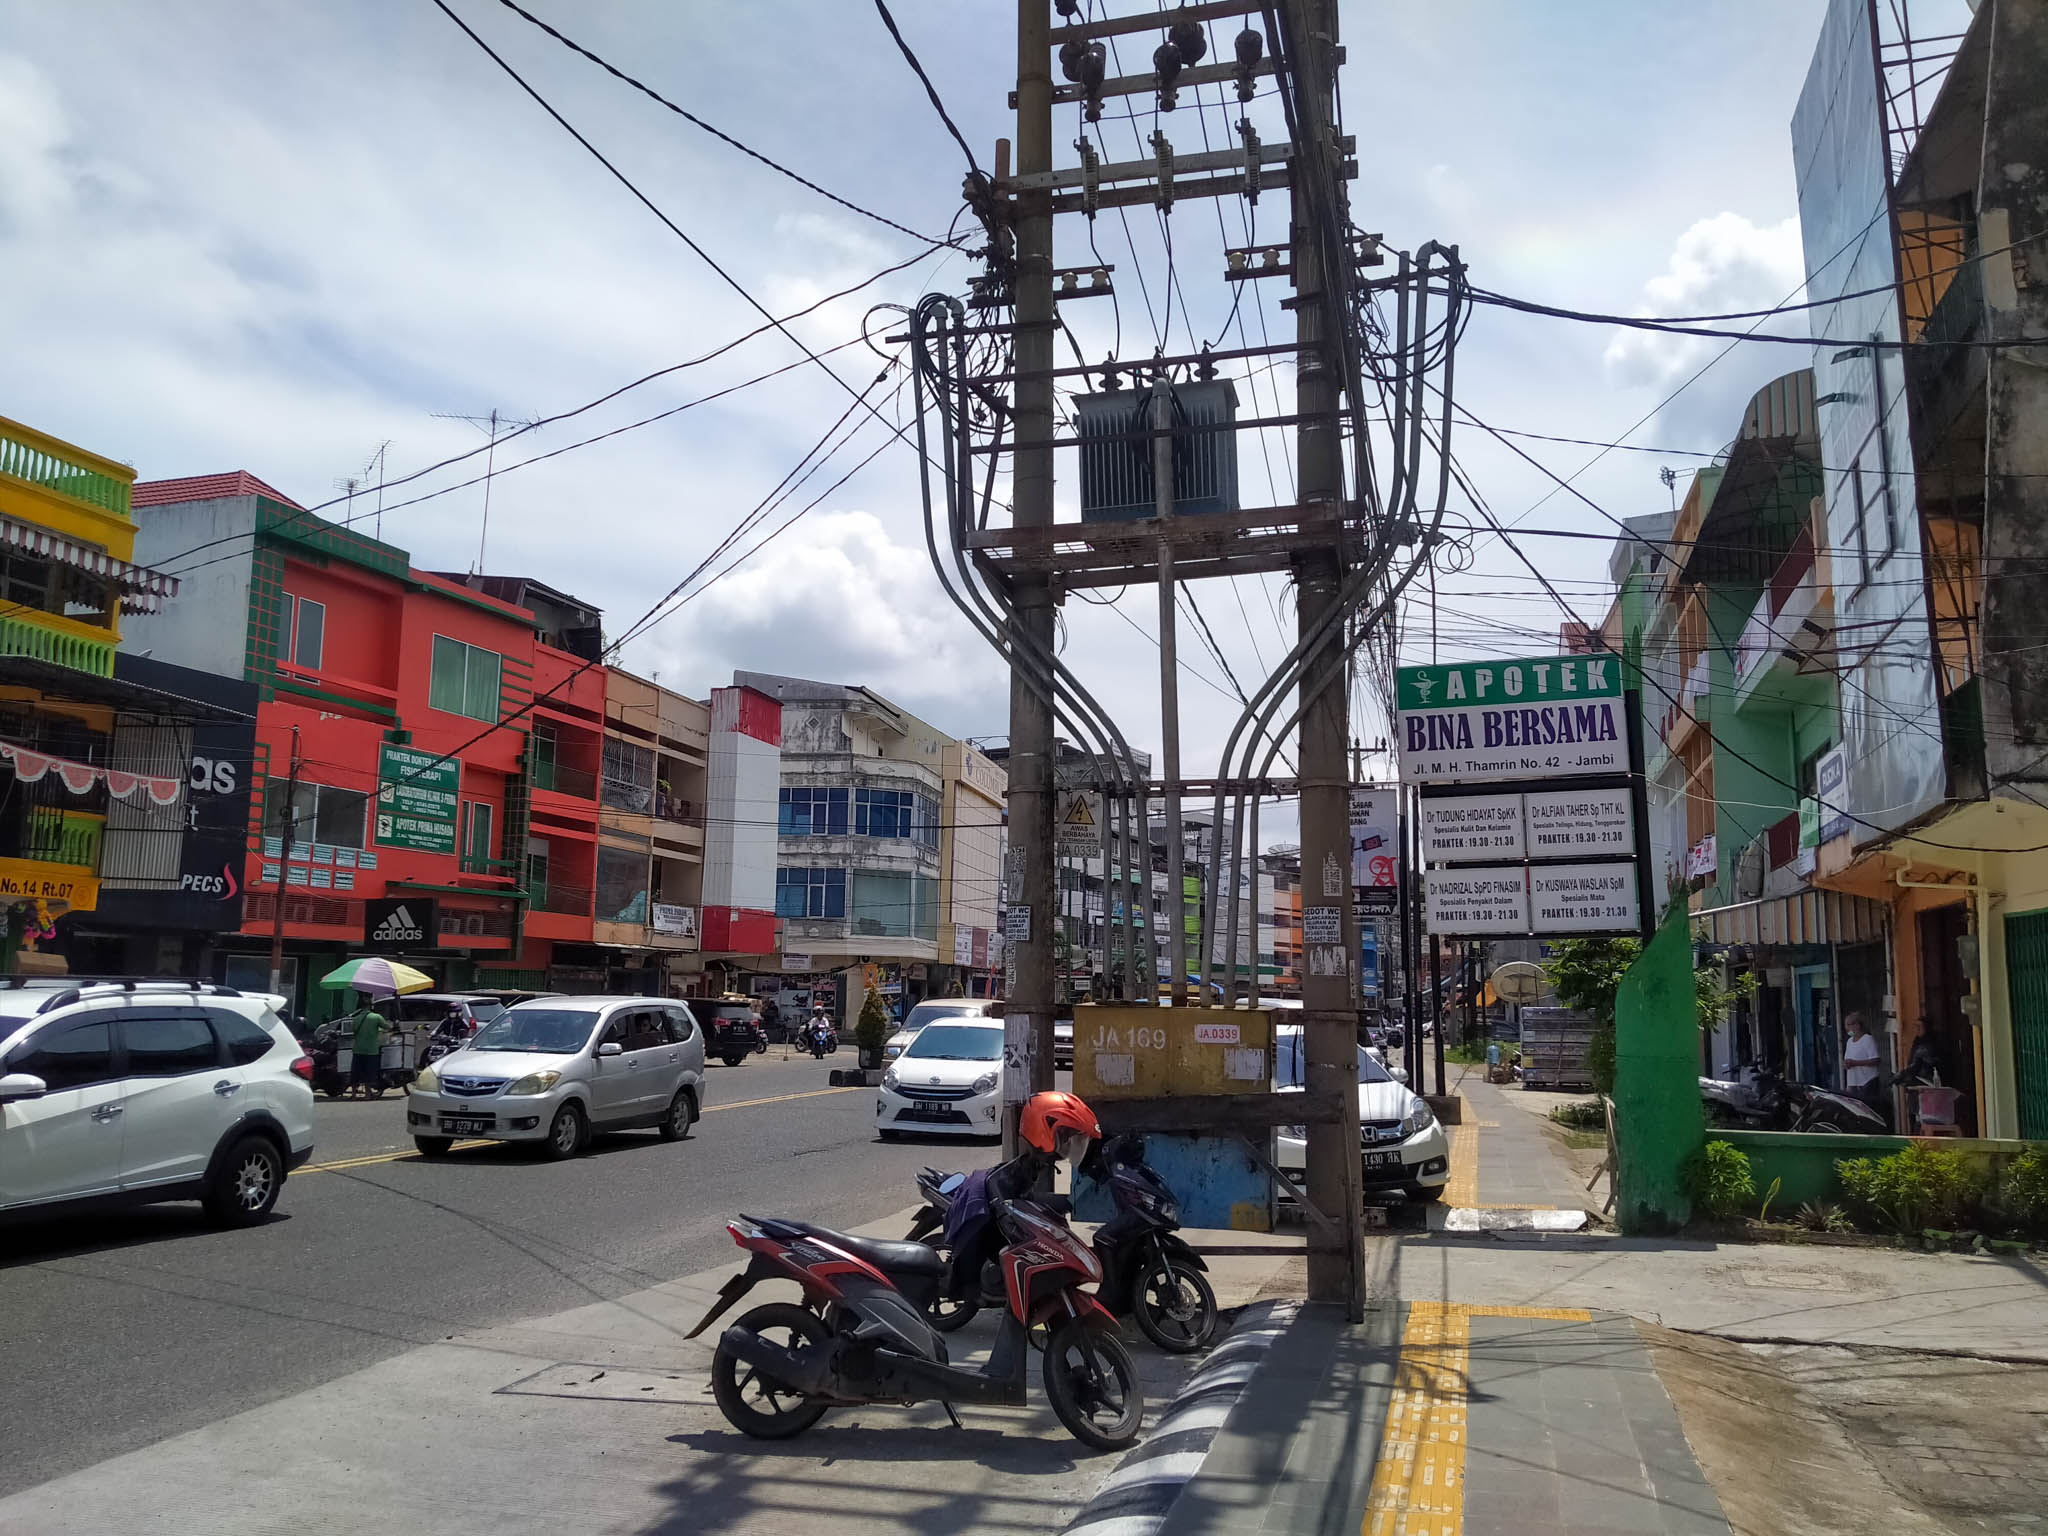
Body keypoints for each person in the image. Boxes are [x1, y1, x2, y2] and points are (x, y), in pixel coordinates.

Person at [941, 1091, 1101, 1305]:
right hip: (981, 1201)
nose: (1070, 1143)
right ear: (1046, 1131)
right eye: (1066, 1136)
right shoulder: (1020, 1171)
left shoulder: (1034, 1164)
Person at [1842, 1012, 1884, 1126]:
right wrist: (1847, 1065)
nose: (1847, 1028)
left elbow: (1876, 1060)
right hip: (1853, 1083)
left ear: (1857, 1025)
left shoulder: (1867, 1039)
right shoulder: (1849, 1042)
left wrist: (1855, 1063)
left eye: (1849, 1024)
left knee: (1868, 1112)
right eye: (1846, 1025)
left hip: (1867, 1082)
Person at [351, 997, 389, 1097]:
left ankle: (354, 1094)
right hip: (371, 1050)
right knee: (369, 1073)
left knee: (356, 1073)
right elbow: (387, 1027)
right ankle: (367, 1094)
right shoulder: (376, 1017)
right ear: (370, 1006)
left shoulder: (356, 1018)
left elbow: (353, 1032)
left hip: (357, 1049)